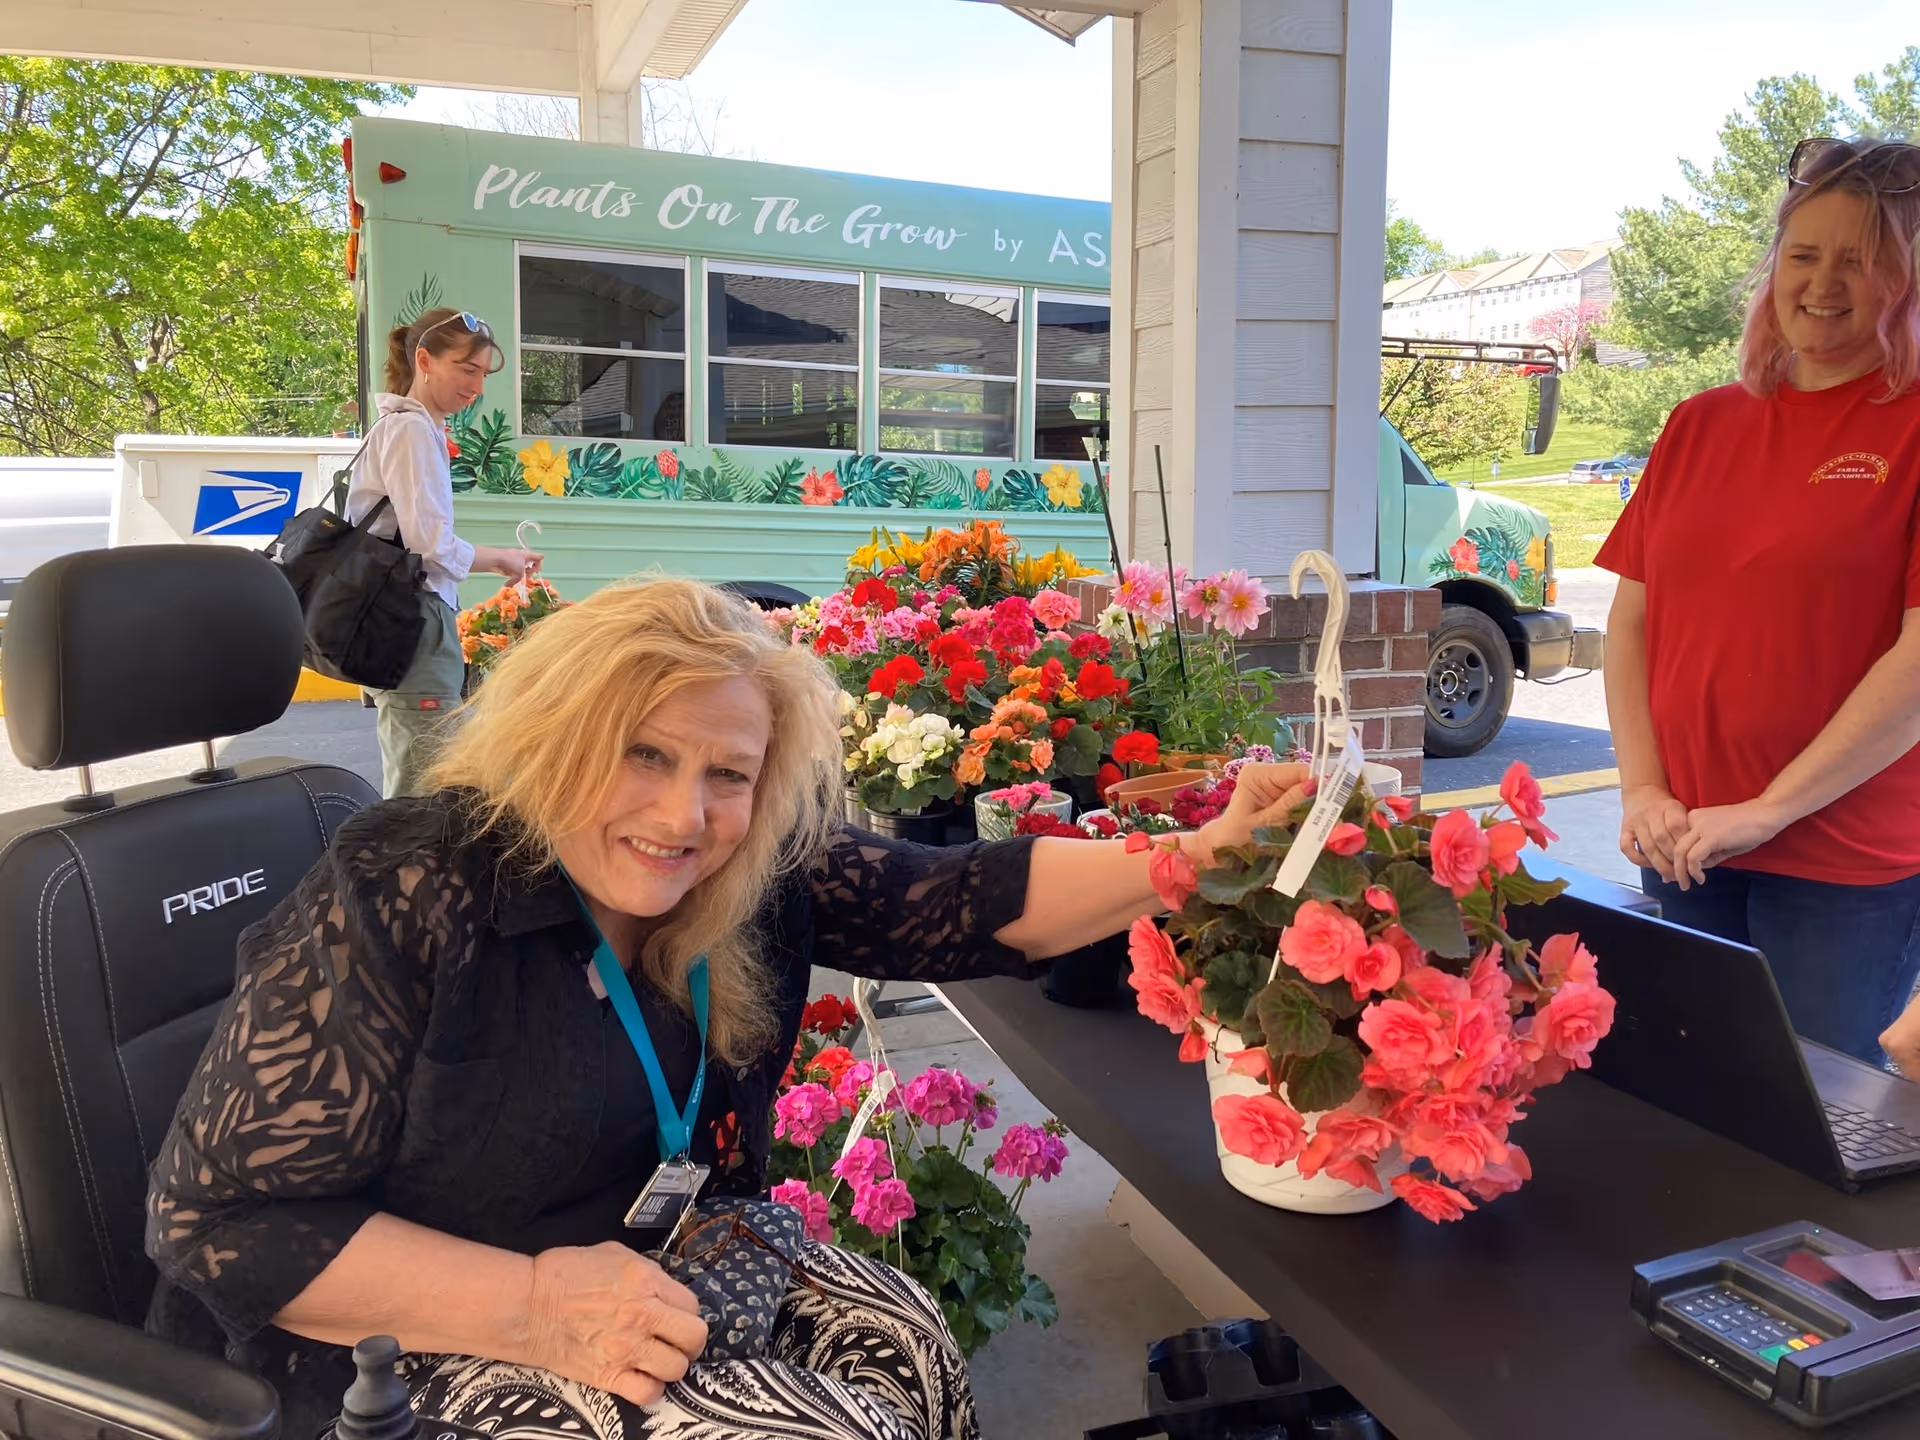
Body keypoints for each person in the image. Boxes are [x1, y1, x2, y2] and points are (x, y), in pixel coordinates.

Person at [145, 576, 1313, 1440]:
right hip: (398, 1346)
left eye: (728, 774)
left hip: (656, 1265)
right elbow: (219, 1225)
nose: (686, 815)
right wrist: (538, 1305)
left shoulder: (749, 874)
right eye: (641, 756)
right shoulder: (415, 881)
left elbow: (965, 901)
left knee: (906, 1343)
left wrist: (1199, 858)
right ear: (553, 742)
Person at [1598, 136, 1920, 1067]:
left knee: (1820, 1135)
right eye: (1803, 253)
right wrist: (1643, 787)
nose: (1822, 282)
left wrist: (1771, 808)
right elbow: (1634, 623)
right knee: (1697, 1106)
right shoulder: (1702, 421)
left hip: (1846, 865)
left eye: (1859, 259)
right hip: (1692, 843)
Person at [350, 308, 544, 798]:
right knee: (423, 786)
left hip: (402, 618)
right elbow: (429, 544)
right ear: (425, 361)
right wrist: (501, 557)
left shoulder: (409, 426)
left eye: (481, 374)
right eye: (467, 369)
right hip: (412, 619)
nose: (476, 387)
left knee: (427, 768)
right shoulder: (411, 429)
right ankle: (405, 873)